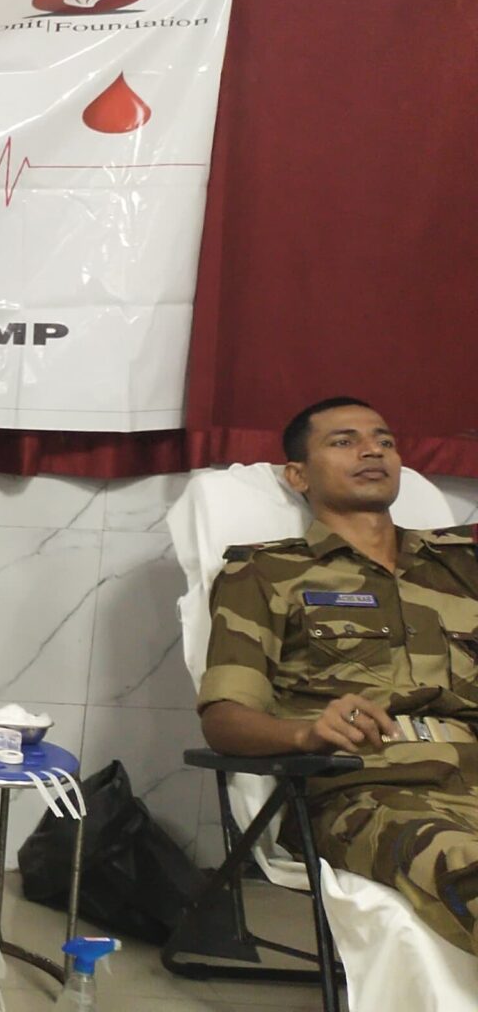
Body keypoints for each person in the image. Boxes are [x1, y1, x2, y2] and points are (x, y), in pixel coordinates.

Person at [199, 397, 478, 951]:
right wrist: (306, 735)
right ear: (298, 475)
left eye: (384, 440)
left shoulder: (462, 564)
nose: (372, 450)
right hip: (367, 792)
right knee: (465, 865)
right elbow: (224, 720)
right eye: (344, 441)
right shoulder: (264, 573)